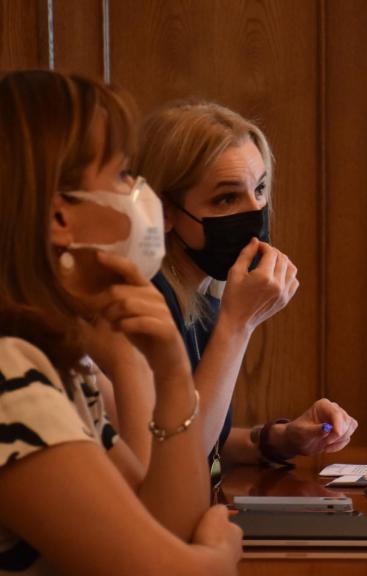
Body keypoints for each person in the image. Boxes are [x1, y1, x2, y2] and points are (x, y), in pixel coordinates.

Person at [0, 70, 241, 573]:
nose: (141, 197)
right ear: (59, 219)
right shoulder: (8, 375)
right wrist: (217, 553)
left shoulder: (54, 366)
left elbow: (161, 524)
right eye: (124, 175)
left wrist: (169, 370)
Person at [128, 101, 357, 468]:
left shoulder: (199, 297)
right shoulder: (144, 302)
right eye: (227, 198)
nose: (254, 213)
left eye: (260, 189)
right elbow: (178, 456)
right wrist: (239, 323)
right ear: (164, 211)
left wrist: (281, 438)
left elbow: (210, 436)